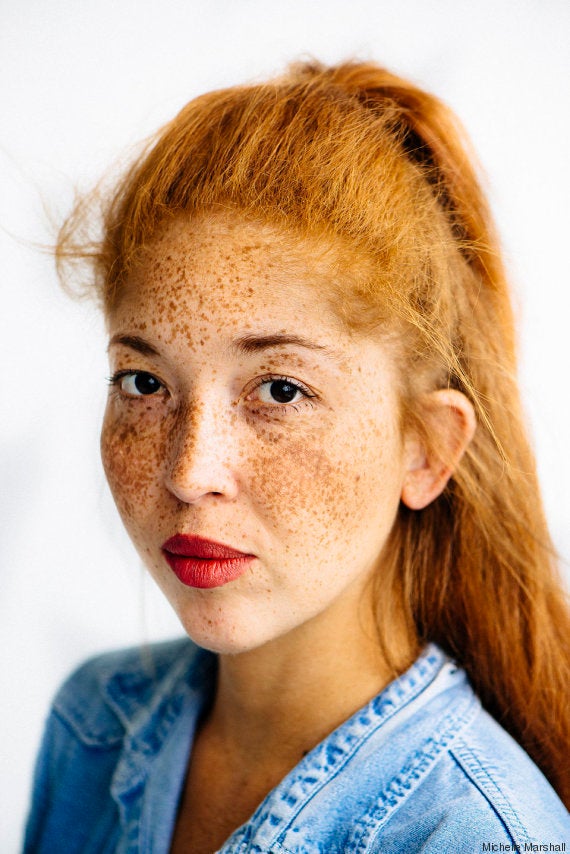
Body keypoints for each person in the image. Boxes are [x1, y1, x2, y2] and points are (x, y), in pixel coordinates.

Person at [24, 60, 570, 853]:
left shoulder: (475, 835)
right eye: (144, 382)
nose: (188, 470)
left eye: (279, 391)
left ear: (426, 449)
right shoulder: (94, 723)